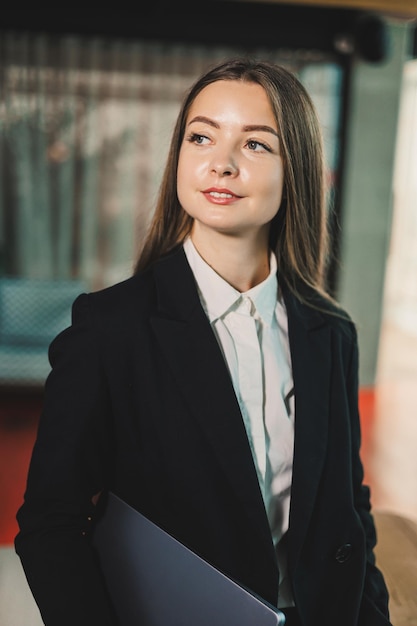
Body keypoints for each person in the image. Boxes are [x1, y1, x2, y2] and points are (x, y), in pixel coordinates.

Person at [15, 58, 391, 626]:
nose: (221, 164)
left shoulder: (330, 331)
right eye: (201, 136)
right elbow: (51, 522)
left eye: (257, 145)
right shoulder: (110, 328)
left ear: (299, 171)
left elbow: (349, 511)